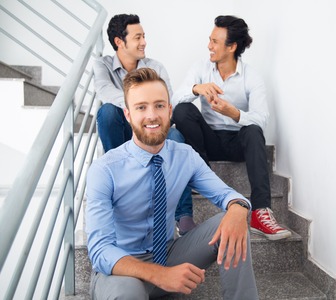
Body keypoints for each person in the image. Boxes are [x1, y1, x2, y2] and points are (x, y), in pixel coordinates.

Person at [86, 68, 258, 299]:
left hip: (167, 254)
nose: (152, 115)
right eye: (141, 107)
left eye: (159, 105)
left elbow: (225, 194)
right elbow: (100, 251)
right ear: (128, 115)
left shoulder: (185, 155)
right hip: (122, 268)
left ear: (169, 110)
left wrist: (238, 208)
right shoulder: (104, 169)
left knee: (232, 223)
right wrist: (159, 274)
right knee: (128, 293)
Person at [172, 15, 291, 240]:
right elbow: (176, 98)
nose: (209, 46)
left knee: (254, 129)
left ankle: (261, 212)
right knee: (182, 110)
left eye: (215, 41)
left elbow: (261, 118)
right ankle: (202, 171)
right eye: (210, 39)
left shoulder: (251, 77)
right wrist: (196, 88)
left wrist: (233, 113)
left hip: (237, 141)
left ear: (232, 46)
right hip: (208, 141)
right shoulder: (201, 68)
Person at [93, 14, 195, 234]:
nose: (144, 42)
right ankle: (120, 181)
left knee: (176, 138)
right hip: (124, 131)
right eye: (138, 37)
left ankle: (184, 214)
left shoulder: (154, 67)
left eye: (144, 36)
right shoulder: (103, 65)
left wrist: (147, 112)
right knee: (107, 112)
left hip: (153, 127)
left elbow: (166, 101)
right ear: (120, 42)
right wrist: (135, 107)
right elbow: (104, 91)